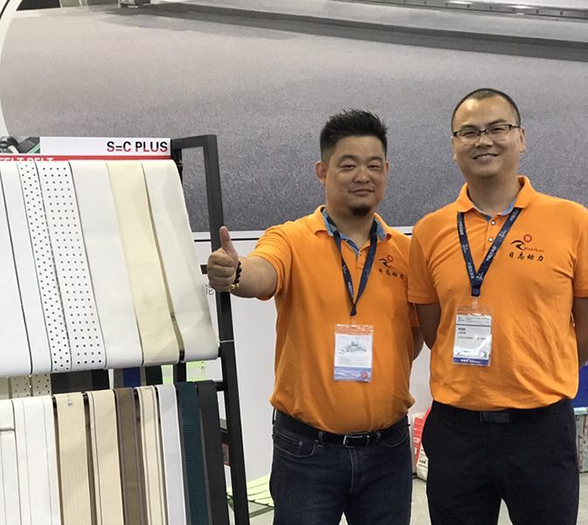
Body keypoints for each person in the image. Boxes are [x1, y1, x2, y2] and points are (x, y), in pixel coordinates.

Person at [208, 109, 423, 525]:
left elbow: (412, 337)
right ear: (322, 172)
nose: (363, 175)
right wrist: (235, 273)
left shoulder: (406, 251)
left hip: (388, 451)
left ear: (386, 172)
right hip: (307, 452)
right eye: (348, 165)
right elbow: (262, 271)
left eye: (373, 165)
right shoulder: (290, 239)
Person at [409, 87, 588, 525]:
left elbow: (586, 326)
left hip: (541, 430)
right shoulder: (430, 231)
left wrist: (543, 365)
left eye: (497, 128)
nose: (483, 140)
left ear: (521, 138)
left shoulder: (573, 221)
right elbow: (434, 330)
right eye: (469, 132)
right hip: (457, 431)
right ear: (454, 146)